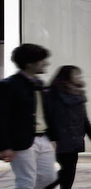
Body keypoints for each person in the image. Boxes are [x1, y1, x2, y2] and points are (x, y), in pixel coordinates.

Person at [0, 43, 58, 189]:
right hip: (22, 141)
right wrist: (5, 146)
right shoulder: (9, 85)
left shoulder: (39, 84)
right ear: (29, 63)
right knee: (26, 181)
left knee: (49, 178)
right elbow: (2, 118)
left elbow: (46, 113)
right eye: (42, 60)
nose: (46, 63)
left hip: (44, 138)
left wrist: (52, 137)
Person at [44, 66, 91, 189]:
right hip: (60, 138)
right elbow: (48, 117)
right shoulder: (53, 94)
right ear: (67, 77)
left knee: (69, 170)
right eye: (76, 75)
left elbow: (84, 119)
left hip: (74, 138)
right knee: (66, 170)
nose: (79, 77)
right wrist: (52, 137)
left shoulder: (78, 95)